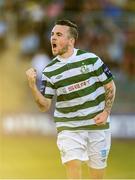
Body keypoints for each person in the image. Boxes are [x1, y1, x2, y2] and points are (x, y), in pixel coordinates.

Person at [26, 19, 116, 179]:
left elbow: (110, 86)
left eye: (59, 34)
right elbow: (44, 106)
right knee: (73, 166)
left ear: (71, 40)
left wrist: (106, 112)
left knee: (97, 175)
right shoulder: (49, 70)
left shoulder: (91, 60)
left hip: (97, 125)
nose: (53, 38)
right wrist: (33, 86)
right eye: (52, 34)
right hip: (69, 127)